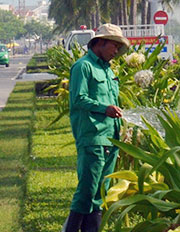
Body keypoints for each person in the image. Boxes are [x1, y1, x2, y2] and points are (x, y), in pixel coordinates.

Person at [63, 23, 130, 232]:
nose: (116, 51)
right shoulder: (83, 67)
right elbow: (79, 99)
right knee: (86, 192)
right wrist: (104, 109)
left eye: (119, 47)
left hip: (110, 138)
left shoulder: (107, 70)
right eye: (114, 45)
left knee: (100, 195)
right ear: (99, 42)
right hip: (92, 137)